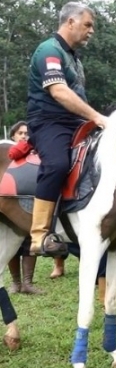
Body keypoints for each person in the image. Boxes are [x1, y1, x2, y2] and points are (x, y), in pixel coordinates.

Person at [26, 2, 108, 257]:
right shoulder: (49, 50)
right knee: (58, 165)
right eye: (87, 25)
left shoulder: (73, 57)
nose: (91, 31)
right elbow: (59, 92)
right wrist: (97, 116)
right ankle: (39, 236)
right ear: (70, 22)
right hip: (49, 122)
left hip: (75, 122)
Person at [6, 121, 43, 294]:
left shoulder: (35, 153)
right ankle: (16, 283)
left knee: (30, 238)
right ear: (13, 135)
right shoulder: (5, 153)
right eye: (20, 133)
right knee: (11, 243)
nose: (23, 136)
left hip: (29, 197)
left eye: (26, 133)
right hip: (10, 200)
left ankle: (27, 283)